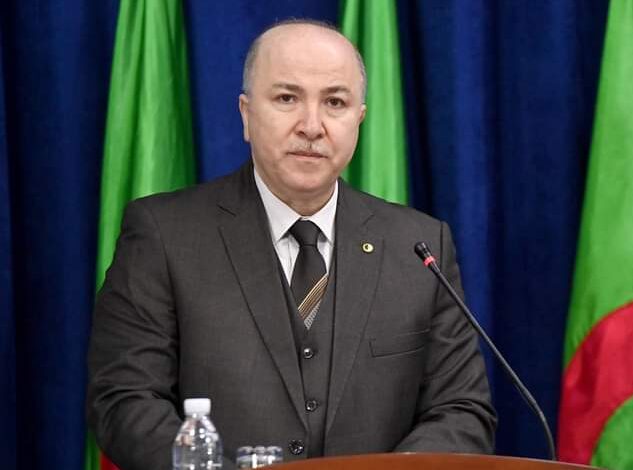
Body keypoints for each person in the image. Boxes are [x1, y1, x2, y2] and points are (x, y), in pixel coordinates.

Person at [87, 19, 497, 470]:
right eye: (287, 98)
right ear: (246, 114)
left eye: (335, 102)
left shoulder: (418, 245)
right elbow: (124, 400)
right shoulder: (165, 234)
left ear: (359, 120)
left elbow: (462, 410)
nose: (312, 126)